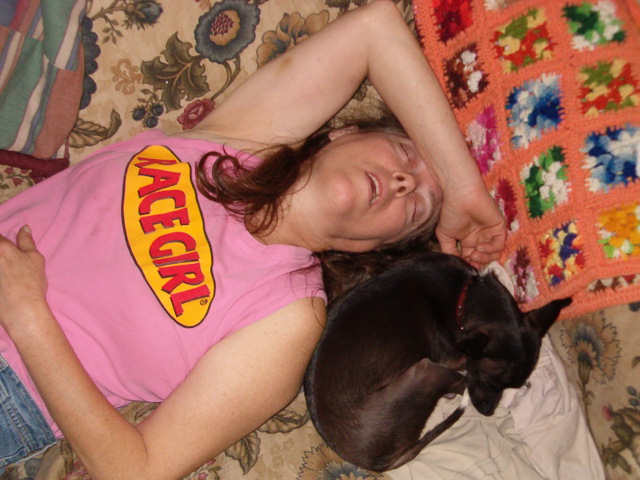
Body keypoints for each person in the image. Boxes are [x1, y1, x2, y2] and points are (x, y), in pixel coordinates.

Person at [0, 1, 505, 478]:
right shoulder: (237, 139)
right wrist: (461, 188)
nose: (403, 182)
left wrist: (28, 316)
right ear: (344, 132)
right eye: (406, 156)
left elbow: (137, 468)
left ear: (371, 249)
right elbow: (375, 29)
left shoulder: (286, 319)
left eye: (416, 207)